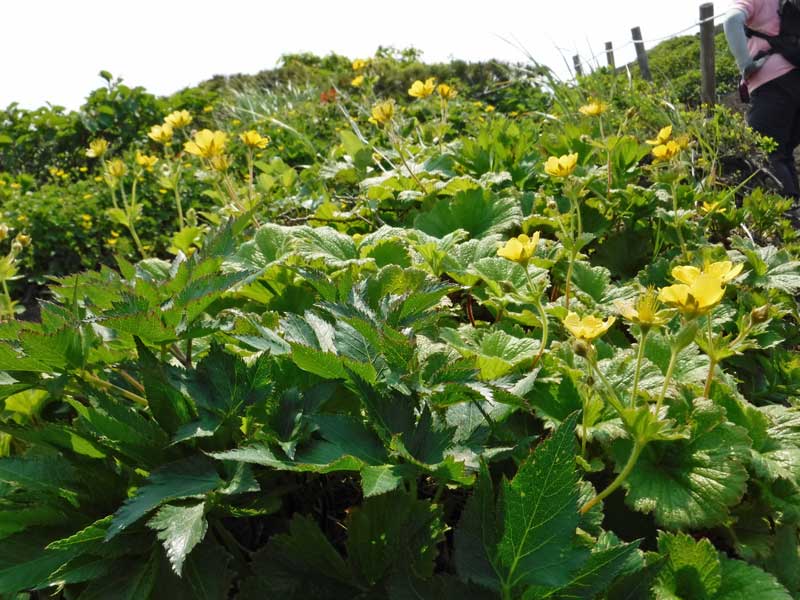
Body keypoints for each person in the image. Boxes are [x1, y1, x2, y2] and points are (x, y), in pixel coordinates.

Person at [724, 0, 800, 204]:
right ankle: (794, 206)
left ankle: (788, 214)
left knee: (764, 152)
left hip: (772, 84)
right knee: (783, 153)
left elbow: (731, 21)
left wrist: (744, 64)